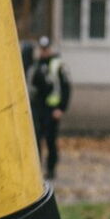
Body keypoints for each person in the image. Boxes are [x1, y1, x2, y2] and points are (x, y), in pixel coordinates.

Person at [28, 35, 71, 184]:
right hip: (39, 109)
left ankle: (51, 170)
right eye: (42, 49)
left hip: (52, 109)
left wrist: (61, 108)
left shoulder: (58, 64)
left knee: (51, 141)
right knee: (36, 140)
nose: (44, 51)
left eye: (46, 49)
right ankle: (37, 170)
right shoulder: (36, 65)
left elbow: (66, 87)